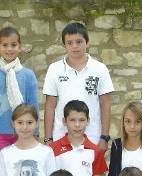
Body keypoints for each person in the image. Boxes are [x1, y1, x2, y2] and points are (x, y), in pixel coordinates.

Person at [43, 22, 114, 153]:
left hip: (92, 137)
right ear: (64, 45)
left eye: (79, 42)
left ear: (87, 42)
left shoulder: (100, 69)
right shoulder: (54, 69)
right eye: (69, 43)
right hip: (61, 137)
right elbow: (50, 105)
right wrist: (48, 139)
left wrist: (104, 137)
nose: (74, 46)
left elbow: (105, 104)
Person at [0, 26, 39, 169]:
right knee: (1, 170)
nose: (9, 49)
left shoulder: (28, 76)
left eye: (13, 45)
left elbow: (34, 107)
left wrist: (36, 133)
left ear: (20, 47)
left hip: (24, 132)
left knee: (22, 169)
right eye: (5, 45)